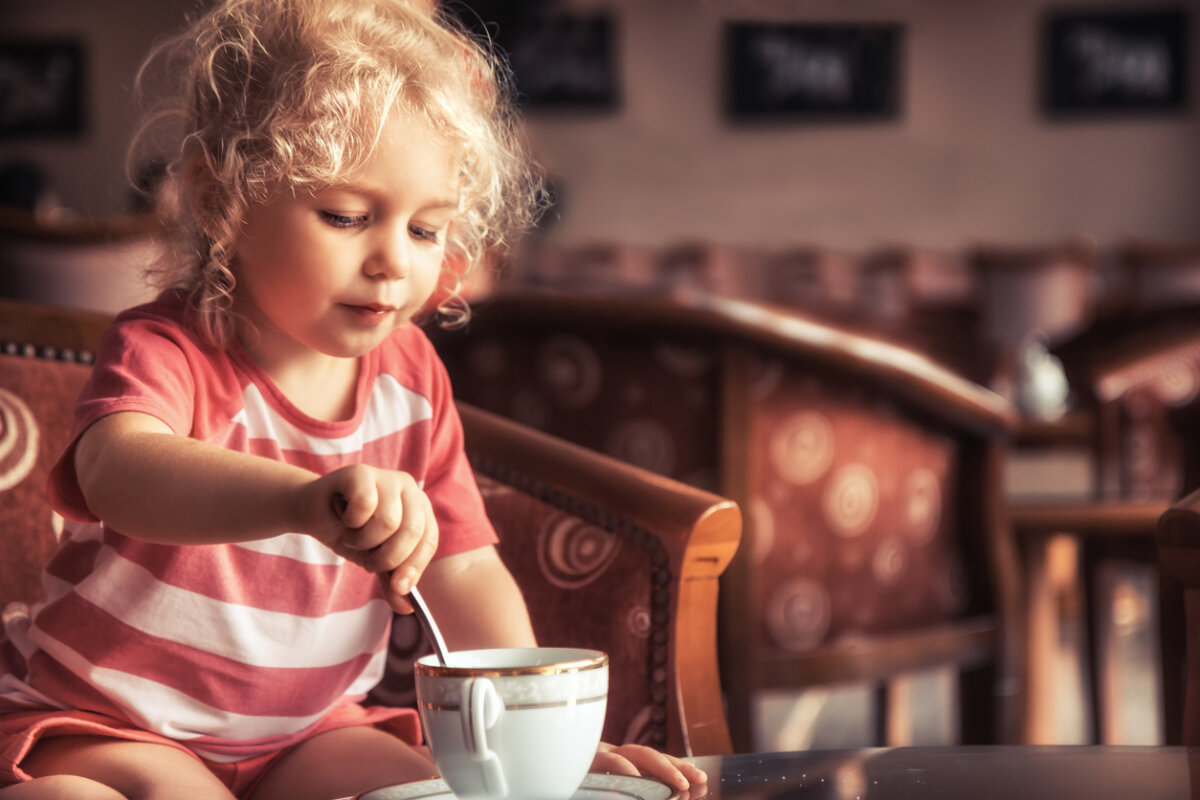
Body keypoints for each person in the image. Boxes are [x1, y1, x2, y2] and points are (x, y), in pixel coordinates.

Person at [0, 1, 708, 798]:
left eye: (426, 229)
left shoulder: (411, 379)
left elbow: (465, 571)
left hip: (308, 730)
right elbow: (120, 472)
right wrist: (303, 502)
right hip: (114, 718)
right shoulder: (170, 347)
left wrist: (535, 739)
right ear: (220, 202)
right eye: (346, 216)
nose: (391, 263)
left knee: (420, 791)